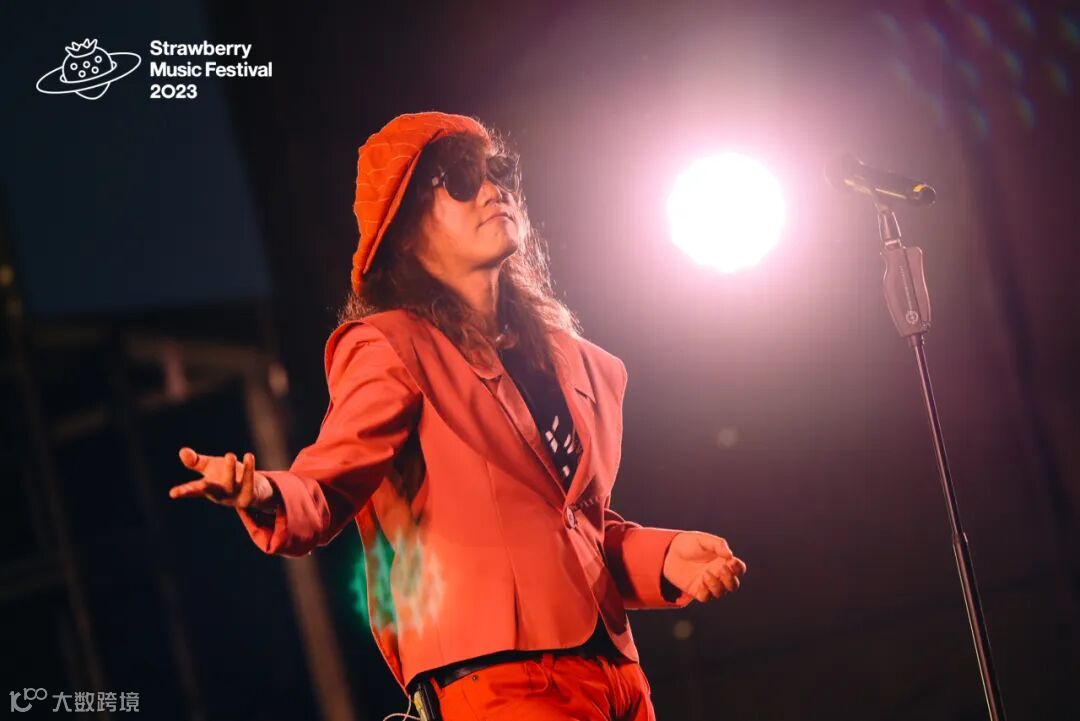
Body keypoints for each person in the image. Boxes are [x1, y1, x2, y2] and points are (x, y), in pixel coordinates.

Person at [169, 111, 747, 721]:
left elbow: (573, 531)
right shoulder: (394, 347)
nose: (494, 189)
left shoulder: (573, 363)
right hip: (503, 684)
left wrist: (665, 556)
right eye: (462, 178)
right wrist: (261, 490)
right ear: (404, 230)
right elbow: (325, 483)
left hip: (619, 679)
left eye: (499, 171)